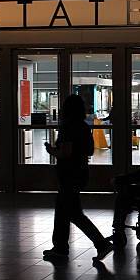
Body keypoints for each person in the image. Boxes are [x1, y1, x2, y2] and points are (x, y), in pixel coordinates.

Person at [42, 94, 113, 261]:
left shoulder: (68, 127)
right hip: (80, 172)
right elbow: (89, 151)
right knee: (65, 211)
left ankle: (99, 243)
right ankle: (60, 247)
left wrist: (51, 151)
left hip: (68, 174)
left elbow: (65, 152)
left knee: (69, 212)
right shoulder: (83, 126)